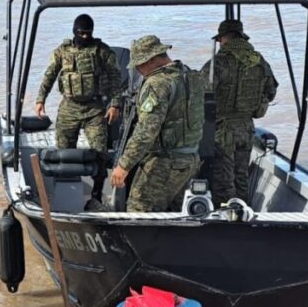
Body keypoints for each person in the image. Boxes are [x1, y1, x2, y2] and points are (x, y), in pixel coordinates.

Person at [34, 14, 126, 207]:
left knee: (100, 152)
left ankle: (97, 195)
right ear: (75, 31)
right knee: (64, 151)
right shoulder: (62, 51)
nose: (85, 37)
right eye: (81, 33)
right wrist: (40, 99)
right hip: (69, 107)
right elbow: (49, 75)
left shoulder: (102, 51)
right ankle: (66, 192)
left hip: (94, 109)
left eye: (88, 33)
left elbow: (115, 78)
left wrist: (115, 104)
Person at [110, 35, 204, 212]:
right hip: (190, 159)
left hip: (164, 163)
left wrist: (124, 165)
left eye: (140, 64)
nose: (138, 69)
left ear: (152, 59)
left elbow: (146, 131)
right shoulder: (193, 76)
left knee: (139, 212)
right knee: (177, 215)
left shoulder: (157, 84)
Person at [201, 19, 278, 206]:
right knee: (241, 177)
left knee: (223, 180)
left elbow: (201, 91)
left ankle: (225, 223)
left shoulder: (219, 62)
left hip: (223, 129)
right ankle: (243, 214)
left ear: (221, 38)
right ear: (241, 36)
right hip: (246, 127)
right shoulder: (258, 60)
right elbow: (271, 91)